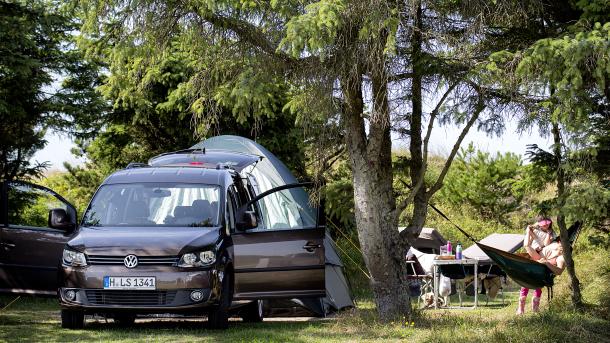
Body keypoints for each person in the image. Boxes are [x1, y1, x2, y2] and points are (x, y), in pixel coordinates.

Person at [517, 216, 556, 315]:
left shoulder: (552, 233)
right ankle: (520, 309)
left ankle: (535, 309)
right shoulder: (534, 230)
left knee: (538, 281)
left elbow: (547, 245)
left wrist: (548, 233)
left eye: (548, 223)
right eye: (543, 224)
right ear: (539, 223)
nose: (546, 225)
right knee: (526, 281)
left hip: (542, 256)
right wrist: (530, 231)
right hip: (532, 254)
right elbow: (527, 243)